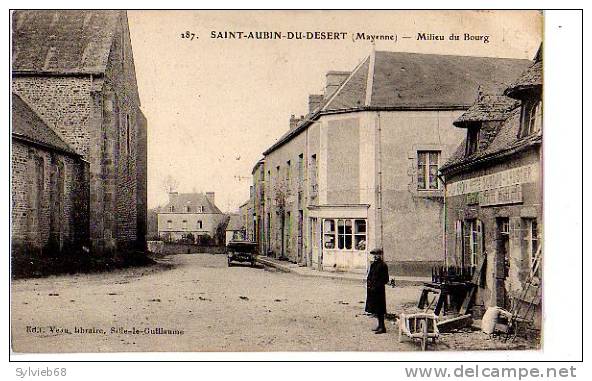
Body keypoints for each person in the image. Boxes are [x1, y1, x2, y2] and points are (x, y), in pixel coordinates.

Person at [365, 248, 389, 334]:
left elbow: (385, 279)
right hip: (372, 290)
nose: (375, 256)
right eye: (374, 254)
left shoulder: (383, 265)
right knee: (375, 309)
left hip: (379, 291)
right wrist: (369, 285)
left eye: (377, 254)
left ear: (380, 255)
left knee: (380, 309)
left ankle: (382, 327)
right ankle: (379, 325)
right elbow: (370, 276)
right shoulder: (373, 265)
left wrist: (376, 286)